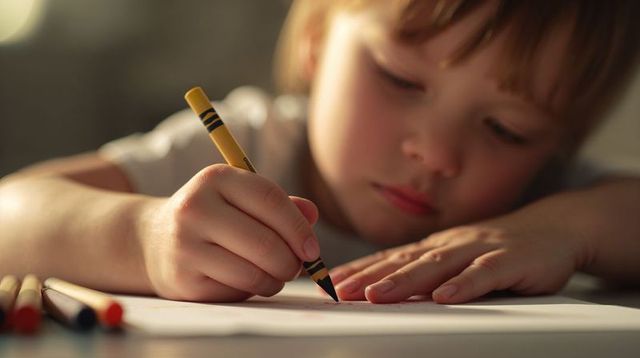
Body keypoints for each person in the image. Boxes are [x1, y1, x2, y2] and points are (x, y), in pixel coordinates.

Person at [0, 0, 638, 304]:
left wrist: (565, 231)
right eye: (401, 80)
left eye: (507, 128)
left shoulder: (540, 199)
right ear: (315, 45)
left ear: (556, 146)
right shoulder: (249, 145)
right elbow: (11, 211)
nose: (436, 152)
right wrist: (145, 236)